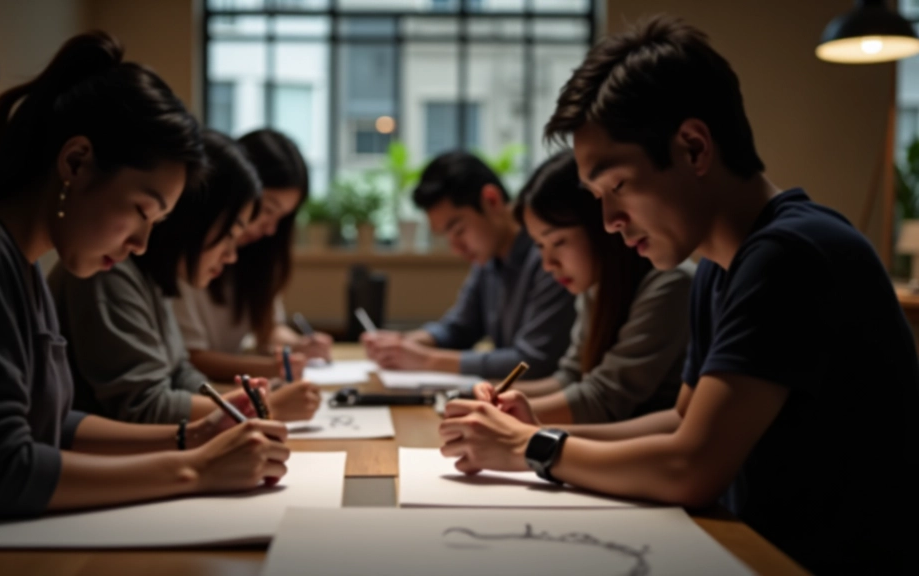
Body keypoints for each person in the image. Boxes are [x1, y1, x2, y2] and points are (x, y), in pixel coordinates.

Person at [438, 15, 919, 574]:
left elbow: (693, 466)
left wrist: (528, 448)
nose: (611, 221)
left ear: (693, 149)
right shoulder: (721, 265)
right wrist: (539, 432)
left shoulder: (790, 255)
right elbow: (679, 423)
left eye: (617, 187)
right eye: (596, 197)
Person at [0, 32, 288, 574]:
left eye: (157, 224)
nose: (141, 246)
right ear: (76, 162)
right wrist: (195, 470)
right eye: (141, 211)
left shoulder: (22, 261)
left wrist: (188, 436)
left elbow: (53, 422)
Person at [50, 130, 321, 424]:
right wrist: (258, 409)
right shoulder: (108, 269)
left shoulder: (152, 275)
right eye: (228, 235)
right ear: (195, 218)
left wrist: (235, 402)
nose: (232, 255)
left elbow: (180, 369)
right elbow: (145, 406)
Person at [509, 152, 692, 424]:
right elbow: (572, 376)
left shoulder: (670, 284)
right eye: (539, 246)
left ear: (599, 229)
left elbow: (605, 397)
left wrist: (507, 415)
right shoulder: (595, 287)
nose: (548, 264)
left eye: (558, 242)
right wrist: (495, 397)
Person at [363, 151, 575, 380]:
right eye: (447, 236)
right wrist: (402, 344)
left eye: (458, 230)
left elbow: (533, 361)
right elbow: (459, 328)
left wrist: (427, 360)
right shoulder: (489, 260)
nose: (456, 248)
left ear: (491, 200)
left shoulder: (551, 259)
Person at [174, 129, 332, 382]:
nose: (270, 229)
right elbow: (187, 359)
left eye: (281, 218)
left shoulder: (256, 257)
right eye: (267, 210)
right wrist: (275, 368)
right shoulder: (186, 256)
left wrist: (298, 348)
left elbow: (268, 329)